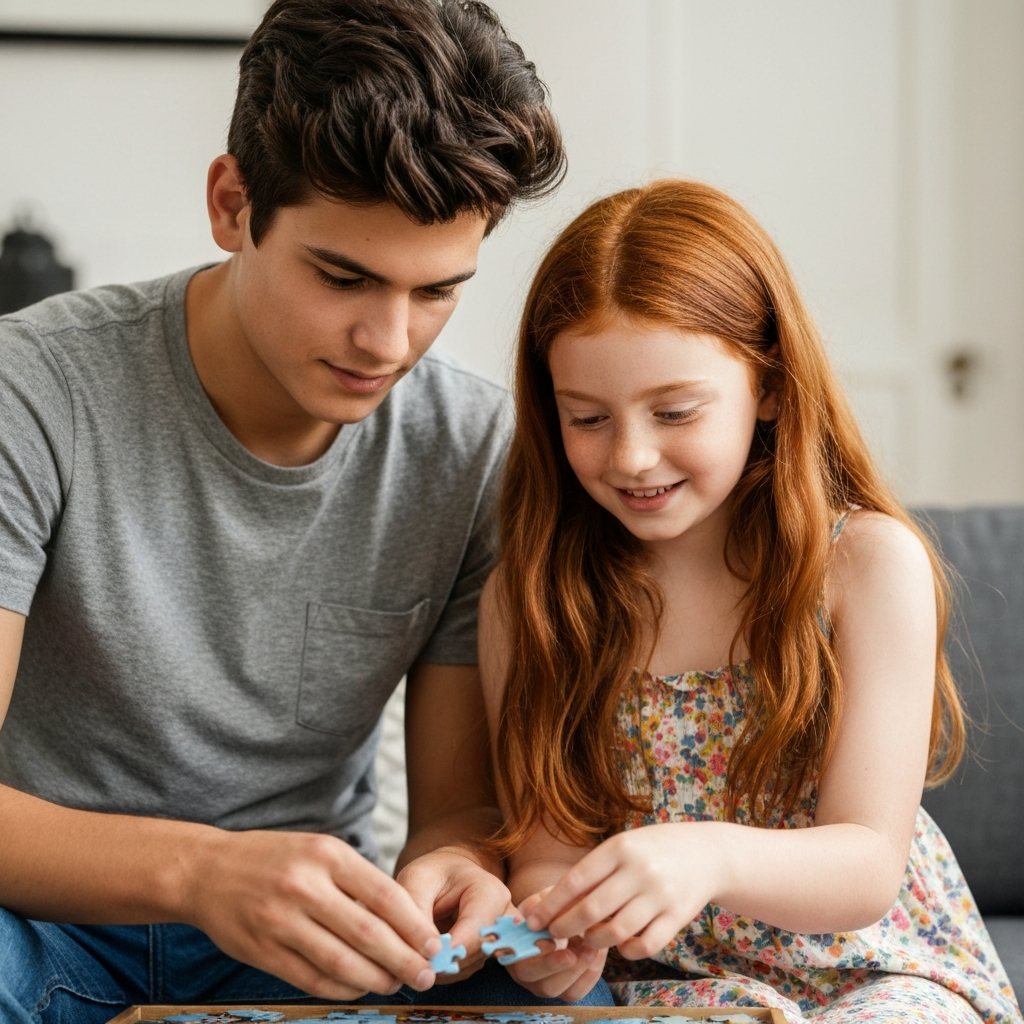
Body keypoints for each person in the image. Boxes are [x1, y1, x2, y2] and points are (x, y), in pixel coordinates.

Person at [0, 0, 616, 1018]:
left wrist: (453, 871)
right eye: (343, 277)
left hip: (313, 940)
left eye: (436, 292)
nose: (388, 340)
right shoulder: (34, 390)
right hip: (38, 919)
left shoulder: (472, 451)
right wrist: (202, 873)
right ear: (232, 203)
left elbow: (454, 806)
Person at [478, 180, 1022, 1022]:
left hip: (880, 980)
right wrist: (555, 933)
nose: (630, 456)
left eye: (675, 411)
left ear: (768, 386)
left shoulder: (868, 566)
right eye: (586, 418)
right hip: (679, 998)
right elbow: (546, 857)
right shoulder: (530, 600)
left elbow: (868, 866)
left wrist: (705, 858)